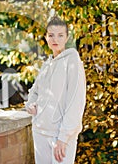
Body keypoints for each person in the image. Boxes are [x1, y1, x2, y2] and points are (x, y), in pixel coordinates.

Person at [25, 16, 86, 164]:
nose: (55, 39)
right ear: (46, 37)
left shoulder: (72, 61)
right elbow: (34, 92)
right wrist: (31, 105)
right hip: (40, 131)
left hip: (60, 136)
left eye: (60, 35)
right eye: (51, 35)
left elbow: (76, 101)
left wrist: (63, 138)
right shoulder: (47, 64)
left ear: (67, 37)